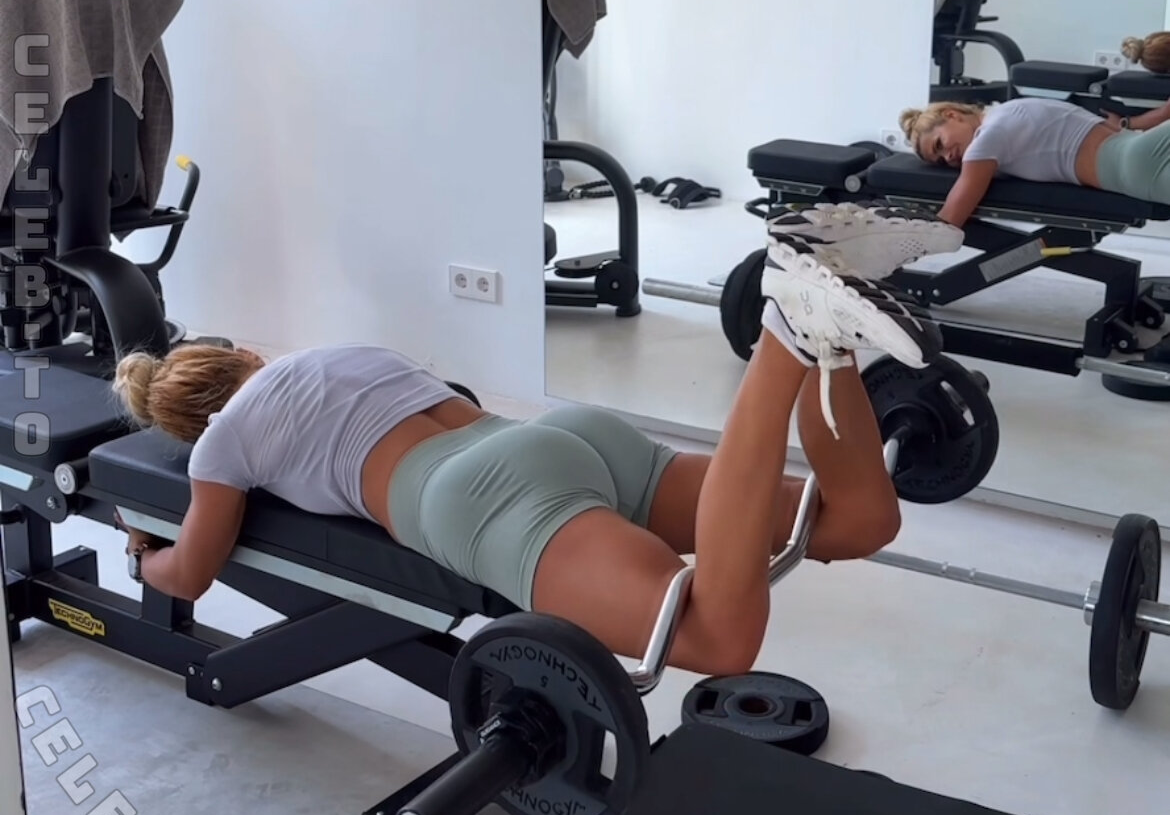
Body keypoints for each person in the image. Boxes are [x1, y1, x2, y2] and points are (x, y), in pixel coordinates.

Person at [112, 206, 956, 677]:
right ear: (242, 356)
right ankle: (826, 320)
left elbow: (194, 570)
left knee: (718, 638)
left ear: (190, 419)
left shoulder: (220, 444)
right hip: (560, 436)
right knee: (858, 520)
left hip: (480, 501)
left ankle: (785, 332)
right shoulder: (325, 353)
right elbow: (458, 398)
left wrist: (143, 553)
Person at [900, 95, 1170, 228]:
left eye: (939, 144)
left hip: (1137, 167)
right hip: (1140, 147)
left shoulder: (986, 142)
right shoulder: (1010, 108)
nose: (948, 157)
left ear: (952, 115)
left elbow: (948, 222)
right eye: (941, 161)